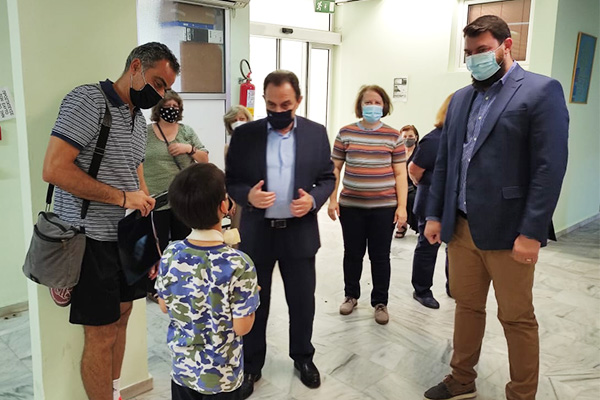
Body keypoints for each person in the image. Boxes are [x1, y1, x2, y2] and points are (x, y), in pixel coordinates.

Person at [423, 15, 568, 400]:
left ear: (506, 46)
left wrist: (532, 232)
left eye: (483, 50)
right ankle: (461, 379)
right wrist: (435, 214)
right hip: (461, 228)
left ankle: (521, 394)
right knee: (467, 307)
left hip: (509, 232)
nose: (475, 58)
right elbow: (447, 161)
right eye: (469, 53)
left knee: (517, 318)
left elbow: (549, 167)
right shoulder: (461, 99)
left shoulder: (540, 91)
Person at [42, 42, 179, 400]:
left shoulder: (137, 120)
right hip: (88, 240)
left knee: (123, 316)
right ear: (135, 67)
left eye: (166, 88)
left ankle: (114, 392)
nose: (160, 94)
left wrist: (149, 244)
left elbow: (137, 179)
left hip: (126, 239)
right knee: (100, 333)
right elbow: (54, 169)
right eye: (158, 83)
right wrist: (120, 197)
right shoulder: (88, 101)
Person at [225, 70, 335, 399]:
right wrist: (248, 196)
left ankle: (303, 357)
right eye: (271, 105)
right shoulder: (246, 135)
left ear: (298, 100)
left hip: (299, 233)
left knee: (302, 302)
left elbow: (327, 178)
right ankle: (251, 365)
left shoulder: (316, 133)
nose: (278, 111)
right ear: (264, 101)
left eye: (285, 104)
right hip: (258, 232)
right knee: (254, 303)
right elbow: (232, 180)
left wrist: (313, 200)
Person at [156, 163, 260, 400]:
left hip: (182, 370)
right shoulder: (238, 263)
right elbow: (242, 327)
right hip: (222, 376)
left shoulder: (171, 253)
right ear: (224, 206)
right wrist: (250, 296)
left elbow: (164, 305)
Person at [328, 85, 408, 325]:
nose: (372, 106)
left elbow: (401, 174)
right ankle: (351, 295)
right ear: (360, 105)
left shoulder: (394, 136)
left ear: (384, 106)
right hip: (351, 206)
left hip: (384, 208)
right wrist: (332, 199)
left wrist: (402, 207)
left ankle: (380, 302)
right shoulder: (345, 133)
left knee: (380, 256)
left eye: (377, 102)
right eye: (368, 102)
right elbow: (335, 169)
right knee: (352, 253)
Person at [144, 89, 208, 301]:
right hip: (155, 199)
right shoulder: (145, 132)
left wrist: (188, 148)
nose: (171, 110)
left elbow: (204, 159)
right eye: (167, 107)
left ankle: (184, 283)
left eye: (175, 107)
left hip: (182, 199)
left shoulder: (186, 131)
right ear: (158, 108)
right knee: (157, 246)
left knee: (184, 244)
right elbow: (135, 161)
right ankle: (156, 287)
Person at [408, 94, 453, 310]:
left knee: (455, 247)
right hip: (430, 202)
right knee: (428, 247)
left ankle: (454, 286)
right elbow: (414, 169)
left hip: (454, 203)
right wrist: (423, 184)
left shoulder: (463, 138)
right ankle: (422, 290)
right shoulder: (433, 139)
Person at [223, 105, 254, 230]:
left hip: (259, 194)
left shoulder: (259, 143)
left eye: (241, 119)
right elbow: (230, 177)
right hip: (239, 196)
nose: (238, 122)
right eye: (234, 120)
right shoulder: (229, 148)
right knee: (238, 231)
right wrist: (230, 200)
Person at [395, 124, 419, 238]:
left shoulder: (420, 152)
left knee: (411, 198)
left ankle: (405, 224)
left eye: (410, 136)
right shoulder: (397, 152)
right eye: (404, 137)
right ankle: (400, 223)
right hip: (399, 184)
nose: (407, 139)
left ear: (416, 137)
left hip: (414, 184)